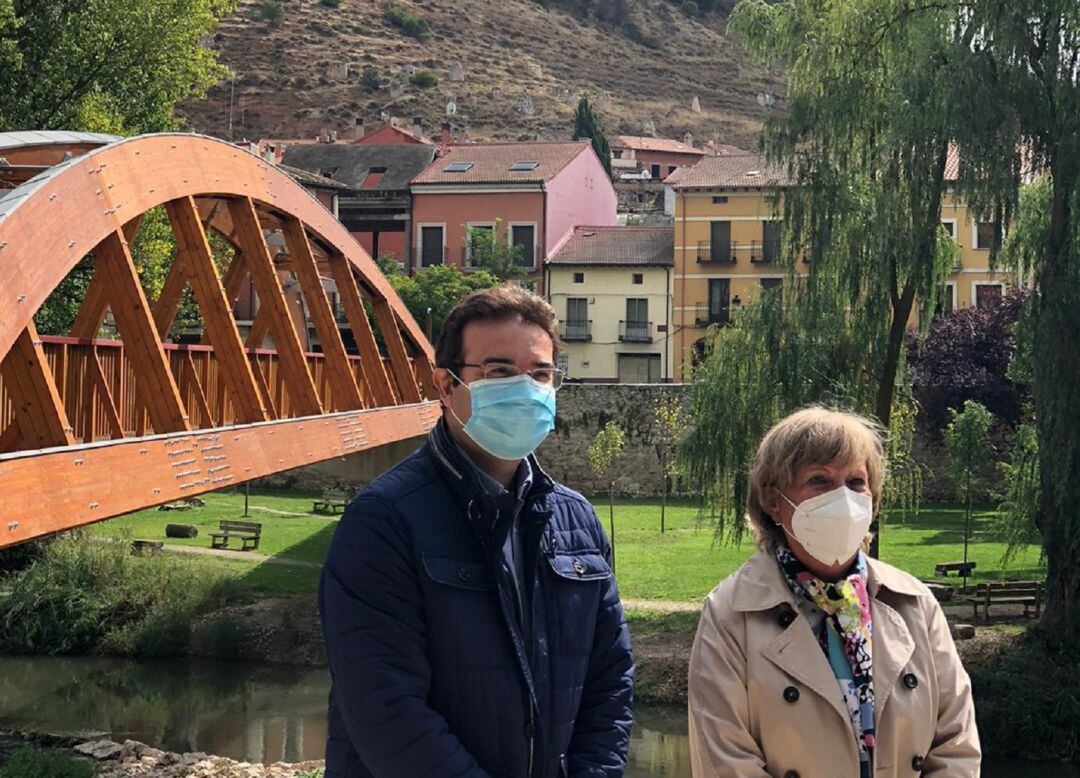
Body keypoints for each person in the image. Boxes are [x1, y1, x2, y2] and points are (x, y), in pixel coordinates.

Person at [319, 285, 634, 778]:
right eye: (499, 372)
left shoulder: (579, 523)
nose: (525, 388)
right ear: (446, 387)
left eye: (540, 373)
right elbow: (385, 708)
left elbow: (609, 685)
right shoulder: (383, 522)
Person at [688, 407, 980, 778]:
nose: (843, 498)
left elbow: (957, 746)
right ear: (774, 502)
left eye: (856, 482)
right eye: (819, 480)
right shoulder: (729, 613)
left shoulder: (915, 604)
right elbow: (725, 762)